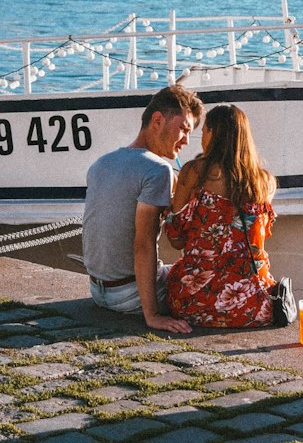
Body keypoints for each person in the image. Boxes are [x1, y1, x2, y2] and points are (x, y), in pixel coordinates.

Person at [82, 84, 203, 333]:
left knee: (173, 270)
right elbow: (143, 244)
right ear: (157, 120)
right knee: (205, 276)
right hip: (129, 296)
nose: (186, 141)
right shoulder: (158, 170)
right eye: (183, 129)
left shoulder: (100, 164)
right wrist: (153, 316)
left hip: (97, 291)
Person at [164, 104, 279, 328]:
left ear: (213, 133)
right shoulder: (265, 183)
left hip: (194, 303)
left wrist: (171, 208)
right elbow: (258, 241)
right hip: (252, 307)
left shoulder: (194, 172)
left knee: (166, 274)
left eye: (204, 131)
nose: (201, 139)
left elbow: (176, 239)